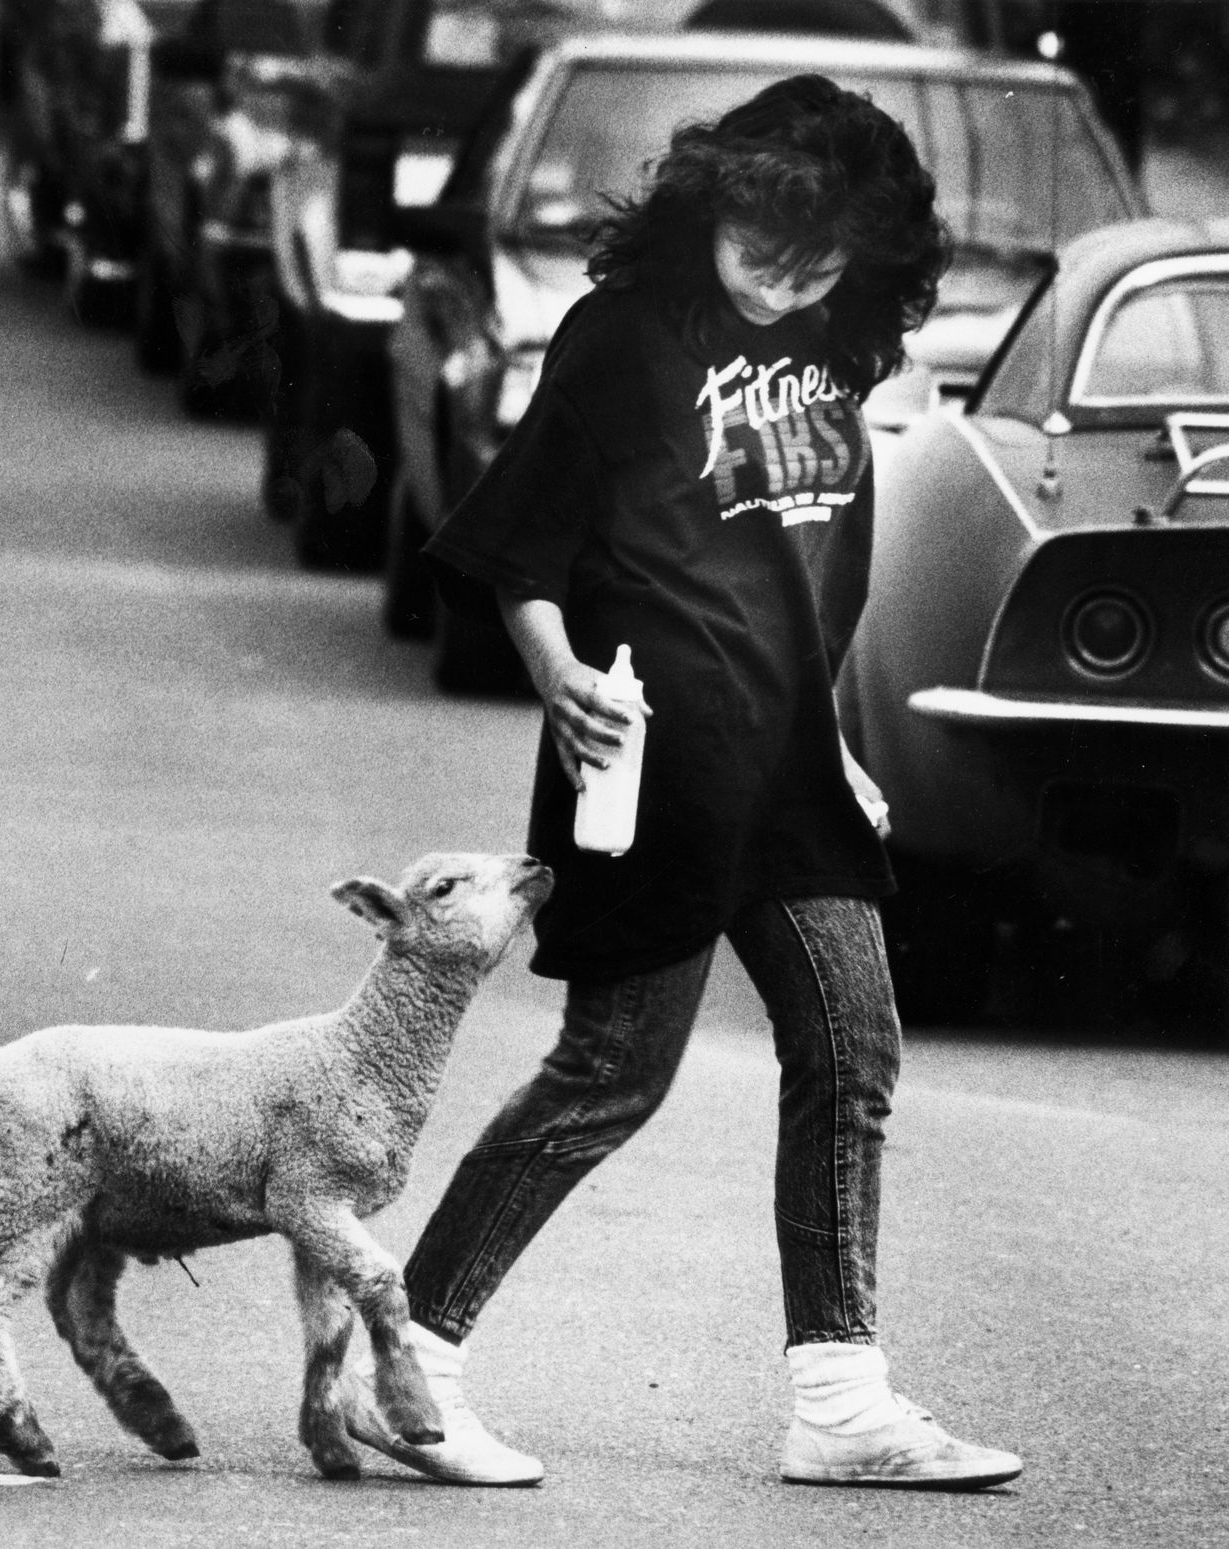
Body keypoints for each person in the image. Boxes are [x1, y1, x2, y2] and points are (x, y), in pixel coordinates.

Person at [342, 75, 1023, 1491]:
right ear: (710, 208)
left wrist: (834, 738)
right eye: (757, 252)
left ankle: (840, 1400)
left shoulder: (839, 345)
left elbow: (811, 572)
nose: (778, 286)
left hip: (789, 767)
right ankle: (403, 1371)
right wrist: (554, 673)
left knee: (851, 1049)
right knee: (610, 1077)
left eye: (816, 267)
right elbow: (520, 542)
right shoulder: (624, 336)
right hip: (645, 762)